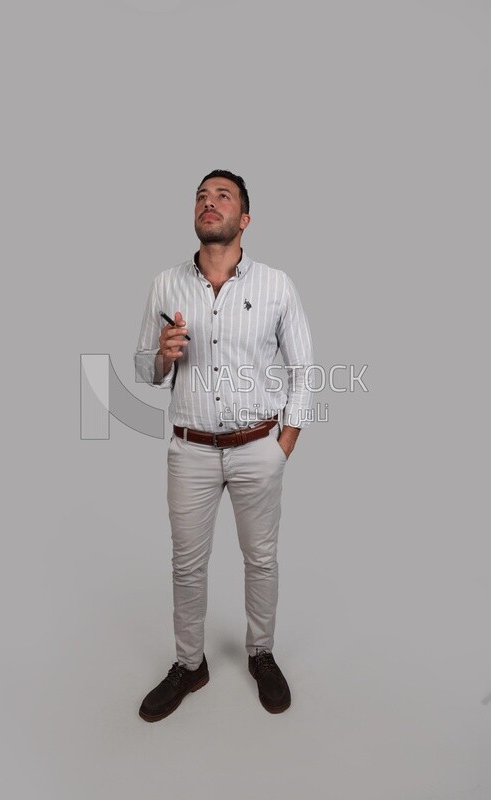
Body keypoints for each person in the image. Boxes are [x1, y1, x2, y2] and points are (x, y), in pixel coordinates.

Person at [134, 169, 314, 721]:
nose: (209, 204)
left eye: (223, 196)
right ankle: (191, 665)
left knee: (260, 559)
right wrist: (164, 354)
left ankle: (261, 653)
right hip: (189, 450)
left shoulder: (276, 284)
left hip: (258, 445)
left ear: (245, 218)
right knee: (186, 566)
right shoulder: (166, 284)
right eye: (201, 196)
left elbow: (304, 368)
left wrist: (283, 442)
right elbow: (145, 370)